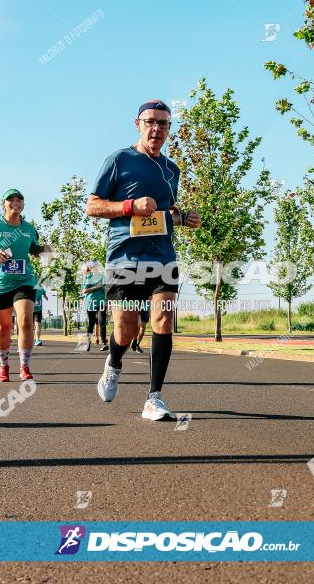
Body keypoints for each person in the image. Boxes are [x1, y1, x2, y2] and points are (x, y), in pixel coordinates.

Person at [86, 100, 201, 420]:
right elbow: (92, 207)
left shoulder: (171, 170)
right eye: (150, 122)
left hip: (163, 255)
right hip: (125, 256)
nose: (157, 129)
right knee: (126, 328)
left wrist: (182, 218)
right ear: (137, 123)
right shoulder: (119, 160)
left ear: (169, 129)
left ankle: (154, 398)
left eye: (163, 124)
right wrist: (129, 207)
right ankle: (114, 363)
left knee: (163, 320)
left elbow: (165, 213)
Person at [0, 189, 51, 382]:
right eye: (11, 200)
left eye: (19, 200)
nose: (15, 202)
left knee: (25, 320)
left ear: (23, 205)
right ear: (3, 204)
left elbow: (34, 250)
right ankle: (4, 365)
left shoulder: (29, 229)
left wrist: (45, 250)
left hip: (25, 280)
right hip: (0, 282)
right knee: (3, 326)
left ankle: (24, 366)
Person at [81, 261, 108, 351]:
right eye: (94, 266)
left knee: (102, 322)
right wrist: (96, 287)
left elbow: (106, 289)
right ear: (90, 268)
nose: (96, 267)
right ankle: (88, 343)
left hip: (102, 302)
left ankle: (104, 343)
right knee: (91, 323)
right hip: (91, 302)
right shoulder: (88, 277)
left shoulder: (102, 276)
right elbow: (84, 291)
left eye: (97, 266)